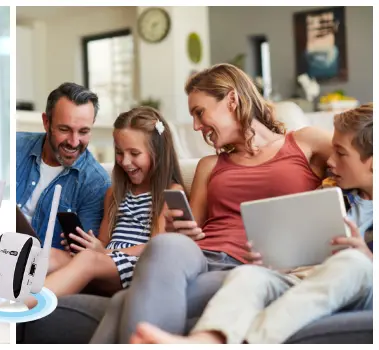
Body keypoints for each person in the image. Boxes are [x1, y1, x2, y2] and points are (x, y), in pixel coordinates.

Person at [91, 63, 334, 343]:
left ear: (231, 100)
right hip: (200, 256)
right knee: (166, 243)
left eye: (199, 112)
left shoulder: (305, 143)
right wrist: (176, 227)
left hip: (247, 265)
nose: (196, 126)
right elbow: (190, 229)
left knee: (124, 301)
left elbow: (362, 159)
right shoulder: (209, 166)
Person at [131, 103, 373, 344]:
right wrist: (274, 258)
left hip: (362, 286)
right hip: (302, 278)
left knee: (354, 263)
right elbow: (304, 248)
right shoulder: (332, 193)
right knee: (249, 275)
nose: (330, 160)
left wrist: (368, 259)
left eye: (340, 153)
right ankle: (205, 341)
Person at [23, 107, 186, 309]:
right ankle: (5, 291)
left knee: (88, 260)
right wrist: (85, 244)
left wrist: (103, 253)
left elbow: (154, 247)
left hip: (137, 266)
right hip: (105, 263)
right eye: (119, 152)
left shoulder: (169, 192)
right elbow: (103, 242)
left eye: (134, 153)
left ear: (159, 153)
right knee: (52, 255)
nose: (125, 162)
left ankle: (24, 306)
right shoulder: (114, 193)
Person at [16, 82, 110, 272]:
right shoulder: (14, 147)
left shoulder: (95, 183)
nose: (74, 142)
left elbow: (81, 261)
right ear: (46, 122)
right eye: (65, 129)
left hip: (38, 272)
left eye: (83, 131)